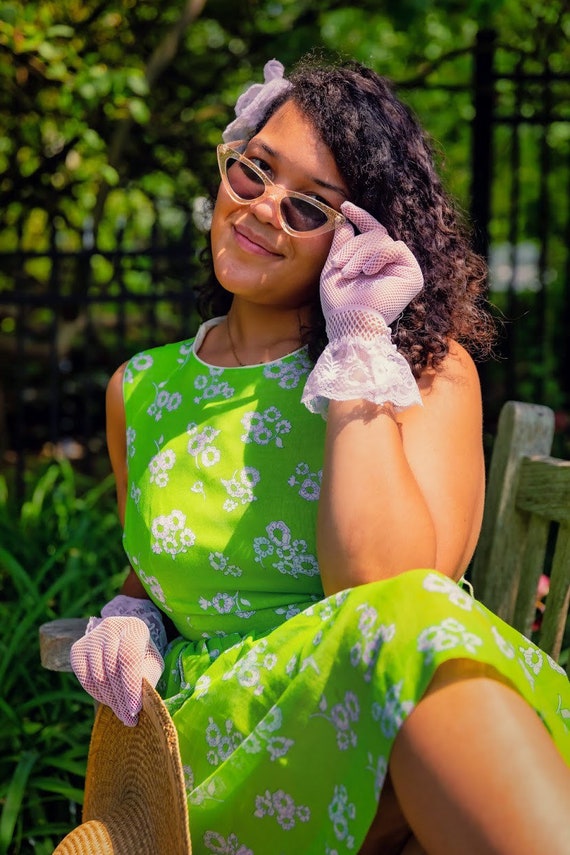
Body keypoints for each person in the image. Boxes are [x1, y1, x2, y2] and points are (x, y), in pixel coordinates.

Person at [70, 56, 570, 854]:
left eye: (309, 207)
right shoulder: (141, 389)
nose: (263, 208)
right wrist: (136, 615)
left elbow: (384, 590)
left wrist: (360, 346)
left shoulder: (421, 370)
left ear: (361, 238)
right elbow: (157, 564)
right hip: (225, 755)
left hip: (392, 729)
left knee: (409, 626)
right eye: (253, 173)